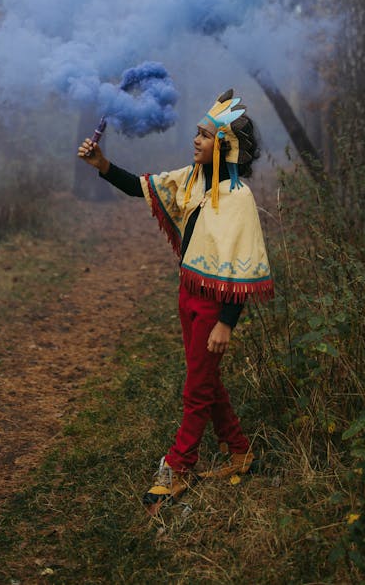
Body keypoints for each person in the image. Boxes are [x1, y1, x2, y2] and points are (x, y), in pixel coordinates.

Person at [78, 88, 273, 510]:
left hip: (213, 306)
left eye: (204, 135)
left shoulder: (239, 200)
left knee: (197, 389)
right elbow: (143, 187)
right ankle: (239, 452)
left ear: (225, 146)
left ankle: (179, 468)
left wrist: (226, 322)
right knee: (206, 379)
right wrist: (103, 165)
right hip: (187, 294)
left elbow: (240, 265)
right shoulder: (193, 179)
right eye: (198, 133)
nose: (196, 140)